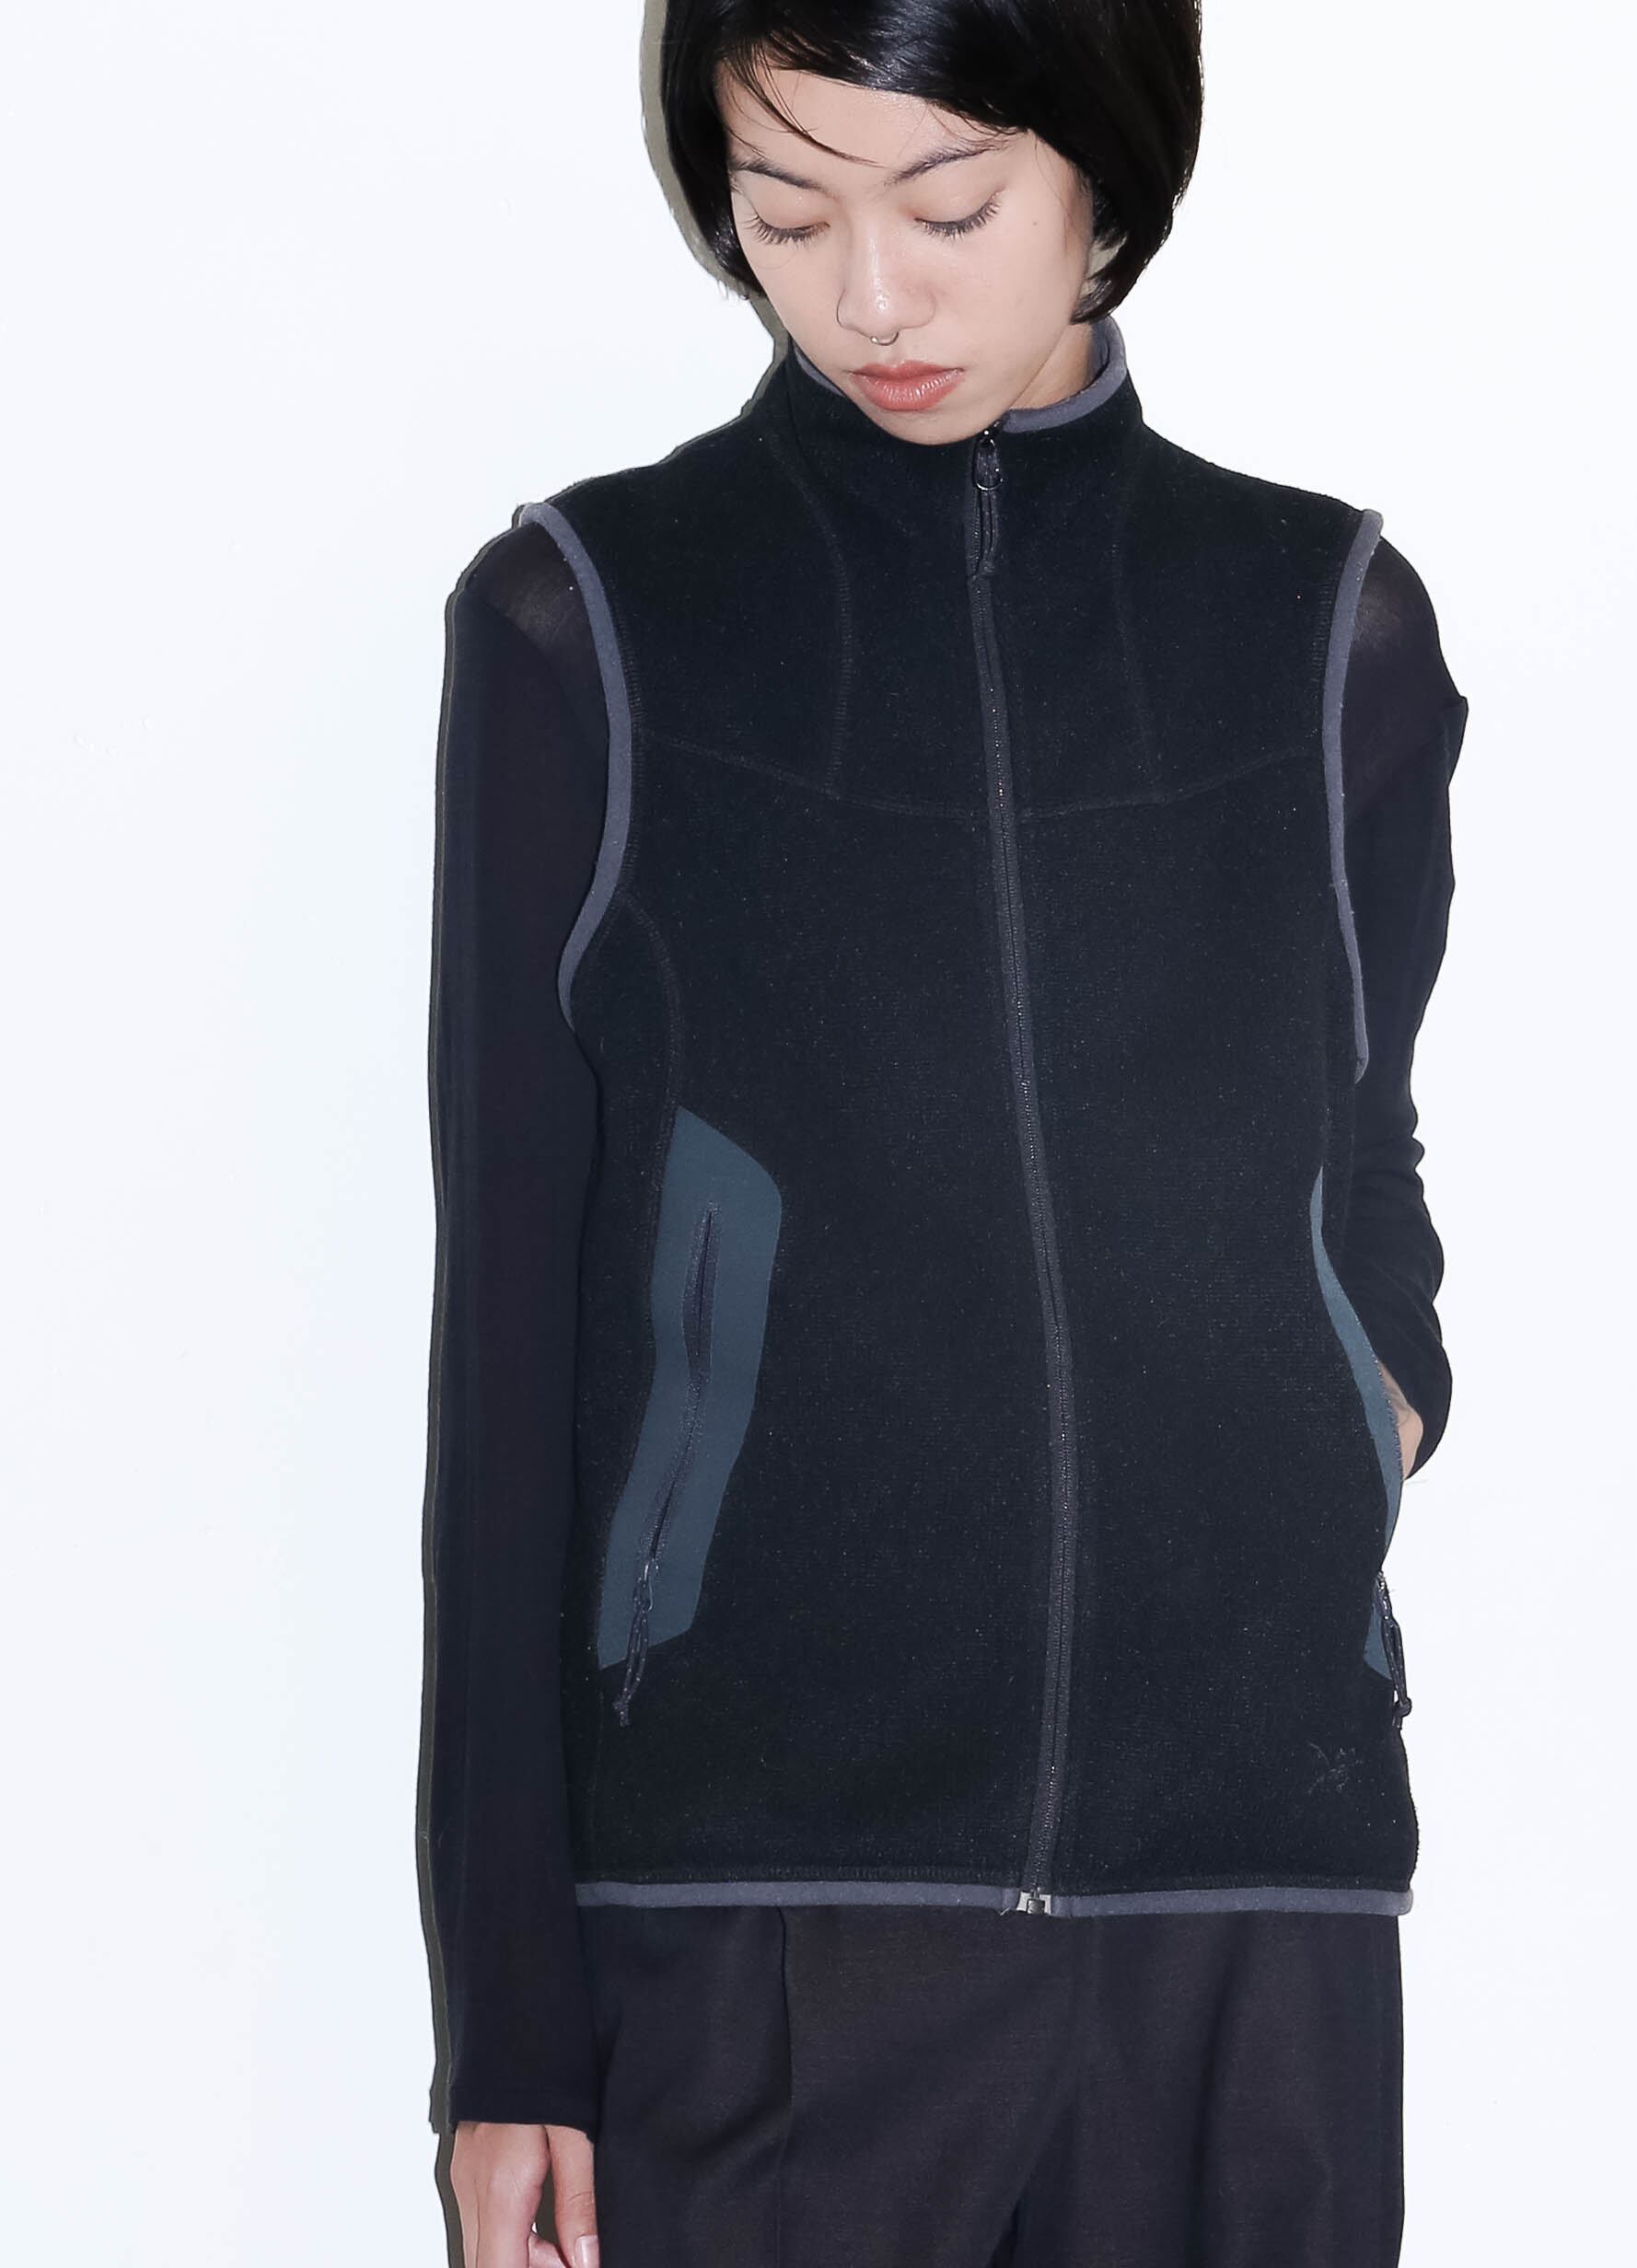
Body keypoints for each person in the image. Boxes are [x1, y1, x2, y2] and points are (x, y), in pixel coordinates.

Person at [422, 3, 1469, 2262]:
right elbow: (507, 1350)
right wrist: (513, 2019)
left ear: (1104, 175)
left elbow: (1357, 1135)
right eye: (784, 214)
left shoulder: (1326, 634)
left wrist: (1374, 1385)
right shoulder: (590, 630)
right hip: (759, 1918)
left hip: (1248, 1907)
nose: (866, 297)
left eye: (946, 203)